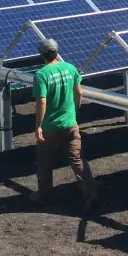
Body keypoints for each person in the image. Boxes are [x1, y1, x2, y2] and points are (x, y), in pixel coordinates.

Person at [31, 38, 97, 209]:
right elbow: (79, 92)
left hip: (50, 127)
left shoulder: (41, 75)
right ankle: (90, 193)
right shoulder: (70, 68)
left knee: (45, 163)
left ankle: (44, 195)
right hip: (70, 124)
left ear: (42, 54)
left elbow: (42, 101)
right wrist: (74, 111)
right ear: (56, 51)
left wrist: (38, 126)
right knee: (77, 159)